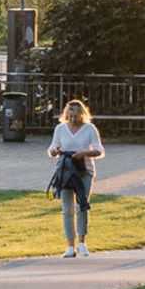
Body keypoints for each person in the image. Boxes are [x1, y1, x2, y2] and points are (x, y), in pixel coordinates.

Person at [48, 98, 106, 258]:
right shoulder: (60, 129)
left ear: (82, 115)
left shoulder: (89, 129)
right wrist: (55, 151)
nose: (73, 120)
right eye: (70, 117)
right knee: (67, 209)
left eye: (76, 117)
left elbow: (99, 150)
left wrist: (84, 153)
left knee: (82, 205)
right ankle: (70, 245)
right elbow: (52, 148)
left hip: (84, 170)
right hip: (65, 170)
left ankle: (82, 242)